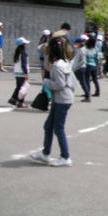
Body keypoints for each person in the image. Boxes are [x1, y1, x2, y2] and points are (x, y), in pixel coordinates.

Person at [30, 37, 76, 167]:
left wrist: (46, 81)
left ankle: (65, 157)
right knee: (49, 126)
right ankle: (45, 153)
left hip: (62, 99)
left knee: (58, 128)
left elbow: (59, 84)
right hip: (63, 99)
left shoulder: (56, 66)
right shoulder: (65, 62)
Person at [9, 37, 30, 108]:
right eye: (25, 43)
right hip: (22, 73)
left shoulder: (17, 53)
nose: (27, 45)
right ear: (23, 45)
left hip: (17, 72)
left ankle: (13, 99)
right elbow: (24, 64)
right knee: (23, 88)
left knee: (18, 87)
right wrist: (26, 73)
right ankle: (20, 102)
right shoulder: (23, 53)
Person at [73, 36, 89, 102]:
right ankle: (87, 95)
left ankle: (87, 96)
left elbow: (83, 61)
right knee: (80, 82)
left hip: (80, 69)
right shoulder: (80, 49)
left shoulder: (82, 50)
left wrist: (76, 67)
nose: (75, 44)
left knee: (82, 83)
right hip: (78, 68)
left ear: (79, 43)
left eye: (76, 43)